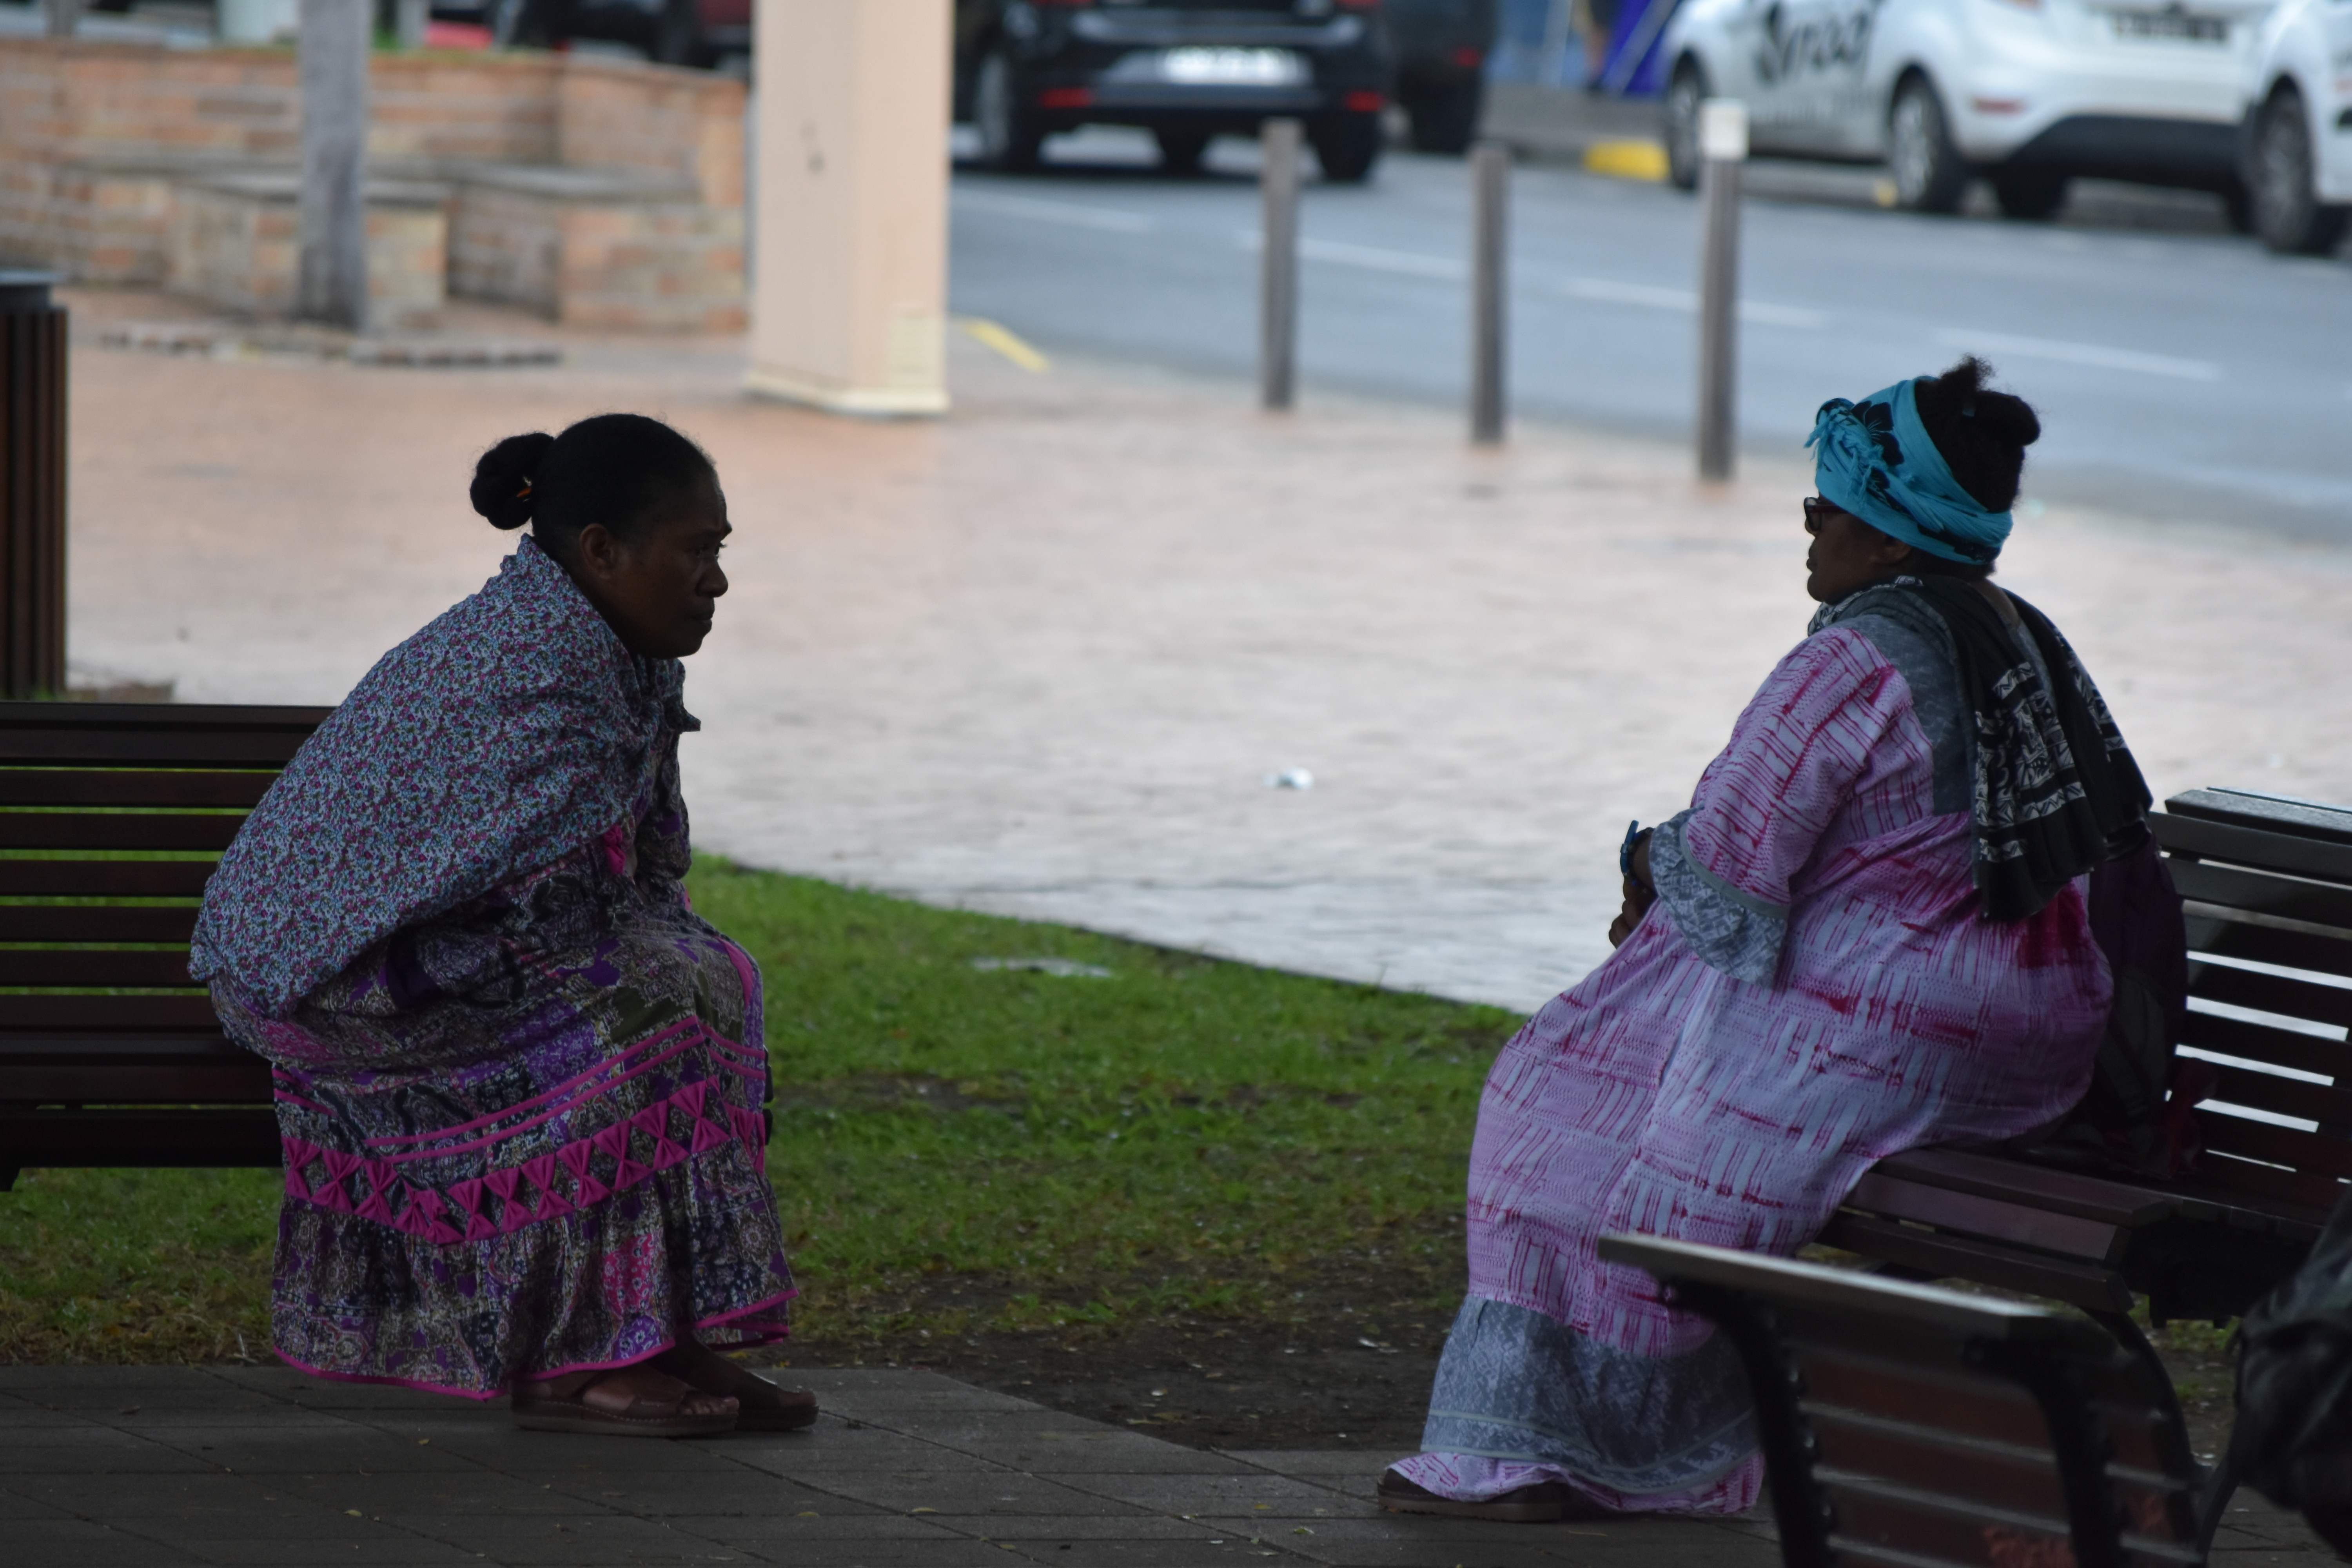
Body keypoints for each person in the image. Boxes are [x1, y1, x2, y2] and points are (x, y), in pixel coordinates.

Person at [1380, 358, 2155, 1521]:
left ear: (1885, 537)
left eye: (1823, 510)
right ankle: (1570, 1446)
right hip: (2034, 1029)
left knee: (1555, 1092)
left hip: (1895, 1028)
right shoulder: (2021, 635)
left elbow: (1734, 865)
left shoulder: (1853, 657)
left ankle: (1615, 1456)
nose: (1809, 532)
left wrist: (1643, 861)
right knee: (1616, 1085)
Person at [192, 413, 813, 1438]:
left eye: (720, 551)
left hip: (422, 943)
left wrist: (679, 956)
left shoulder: (617, 650)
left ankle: (660, 1332)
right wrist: (641, 966)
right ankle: (577, 1357)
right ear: (602, 550)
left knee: (713, 975)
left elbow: (634, 866)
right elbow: (513, 891)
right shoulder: (532, 668)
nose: (717, 581)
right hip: (318, 980)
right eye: (696, 551)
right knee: (634, 1019)